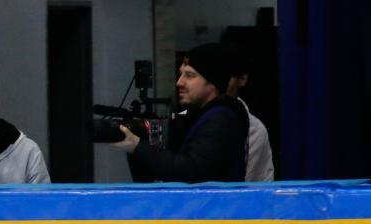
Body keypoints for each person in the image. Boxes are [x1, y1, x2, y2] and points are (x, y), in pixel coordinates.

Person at [112, 43, 248, 183]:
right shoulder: (196, 116)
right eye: (180, 74)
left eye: (189, 76)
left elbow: (192, 171)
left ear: (212, 83)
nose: (179, 82)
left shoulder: (220, 118)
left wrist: (138, 147)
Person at [226, 45, 275, 182]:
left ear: (242, 79)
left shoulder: (253, 128)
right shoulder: (192, 116)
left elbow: (239, 189)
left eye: (226, 77)